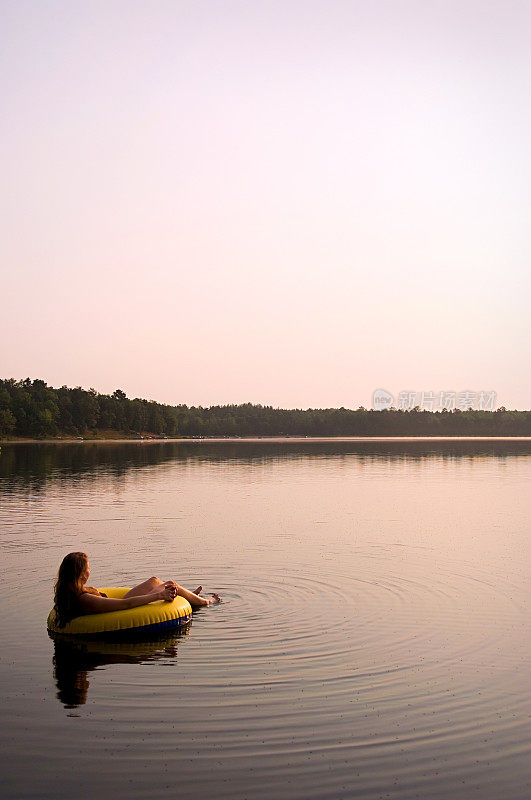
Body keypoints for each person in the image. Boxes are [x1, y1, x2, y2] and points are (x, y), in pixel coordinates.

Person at [53, 552, 220, 629]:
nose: (91, 570)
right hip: (120, 609)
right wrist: (159, 595)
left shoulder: (71, 590)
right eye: (88, 568)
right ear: (81, 574)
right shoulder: (84, 599)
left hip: (116, 605)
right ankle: (206, 602)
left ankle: (190, 596)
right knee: (169, 584)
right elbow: (126, 605)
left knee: (155, 580)